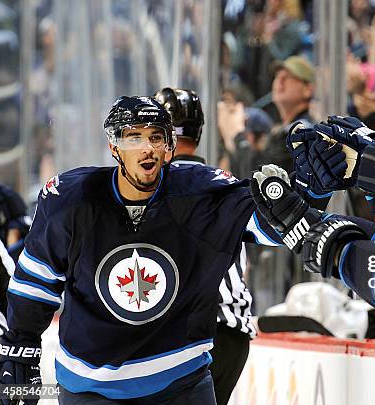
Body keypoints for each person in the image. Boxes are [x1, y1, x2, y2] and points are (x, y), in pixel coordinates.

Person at [0, 95, 286, 404]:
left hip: (182, 381)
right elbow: (36, 283)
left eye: (156, 137)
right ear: (114, 147)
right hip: (91, 388)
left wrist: (310, 192)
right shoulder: (72, 200)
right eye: (135, 137)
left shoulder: (199, 192)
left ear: (168, 146)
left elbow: (275, 224)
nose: (147, 148)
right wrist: (20, 350)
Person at [154, 87, 255, 405]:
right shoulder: (225, 183)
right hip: (233, 335)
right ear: (199, 132)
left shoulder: (150, 186)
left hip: (184, 331)